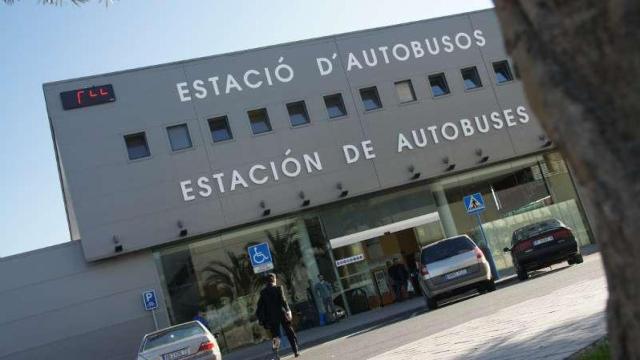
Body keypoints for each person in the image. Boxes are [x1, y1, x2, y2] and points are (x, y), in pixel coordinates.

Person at [256, 273, 300, 358]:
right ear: (274, 279)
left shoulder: (263, 292)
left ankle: (276, 354)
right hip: (282, 314)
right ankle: (295, 351)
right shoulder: (278, 288)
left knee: (276, 336)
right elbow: (283, 301)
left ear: (267, 282)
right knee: (289, 333)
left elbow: (260, 306)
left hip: (271, 317)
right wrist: (288, 310)